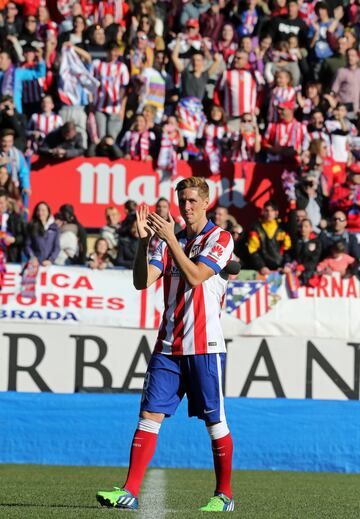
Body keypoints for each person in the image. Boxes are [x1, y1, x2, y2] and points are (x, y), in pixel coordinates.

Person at [96, 177, 235, 512]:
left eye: (191, 201)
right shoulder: (165, 238)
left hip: (205, 346)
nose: (185, 207)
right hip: (168, 345)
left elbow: (196, 276)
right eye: (181, 200)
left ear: (206, 202)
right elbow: (142, 281)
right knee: (148, 415)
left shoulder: (220, 238)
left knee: (215, 422)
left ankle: (224, 496)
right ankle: (129, 490)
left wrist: (170, 238)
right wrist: (146, 243)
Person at [25, 201, 60, 266]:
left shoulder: (54, 228)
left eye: (43, 210)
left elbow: (57, 247)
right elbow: (27, 245)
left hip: (49, 265)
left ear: (48, 212)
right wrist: (32, 257)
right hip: (35, 265)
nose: (40, 213)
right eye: (38, 210)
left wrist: (51, 260)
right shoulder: (32, 226)